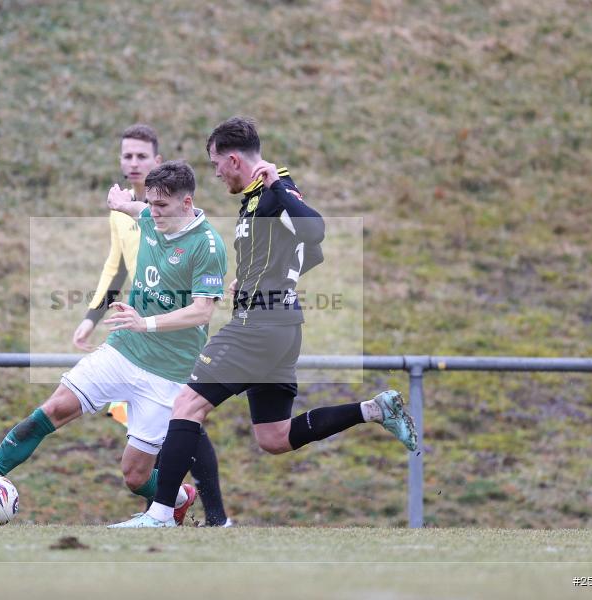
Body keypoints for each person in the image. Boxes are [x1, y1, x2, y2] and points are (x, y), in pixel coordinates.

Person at [110, 117, 417, 528]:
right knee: (273, 437)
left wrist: (276, 187)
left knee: (186, 404)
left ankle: (162, 514)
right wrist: (263, 277)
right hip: (279, 325)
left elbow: (317, 232)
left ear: (234, 160)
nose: (216, 173)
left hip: (260, 325)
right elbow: (310, 256)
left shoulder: (276, 190)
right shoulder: (256, 196)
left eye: (217, 164)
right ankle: (372, 409)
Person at [0, 160, 229, 526]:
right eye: (151, 205)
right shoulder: (151, 216)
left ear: (187, 205)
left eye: (162, 207)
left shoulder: (208, 246)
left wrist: (146, 322)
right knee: (51, 410)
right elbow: (138, 208)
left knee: (135, 477)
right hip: (123, 350)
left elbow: (203, 312)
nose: (153, 214)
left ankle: (179, 497)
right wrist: (121, 202)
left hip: (167, 374)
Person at [71, 124, 231, 526]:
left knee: (184, 424)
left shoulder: (181, 220)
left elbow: (201, 306)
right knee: (168, 430)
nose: (133, 162)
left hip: (167, 342)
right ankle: (166, 509)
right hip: (132, 338)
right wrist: (92, 316)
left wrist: (149, 322)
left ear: (157, 161)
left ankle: (206, 514)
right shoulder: (133, 210)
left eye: (141, 156)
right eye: (127, 156)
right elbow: (117, 265)